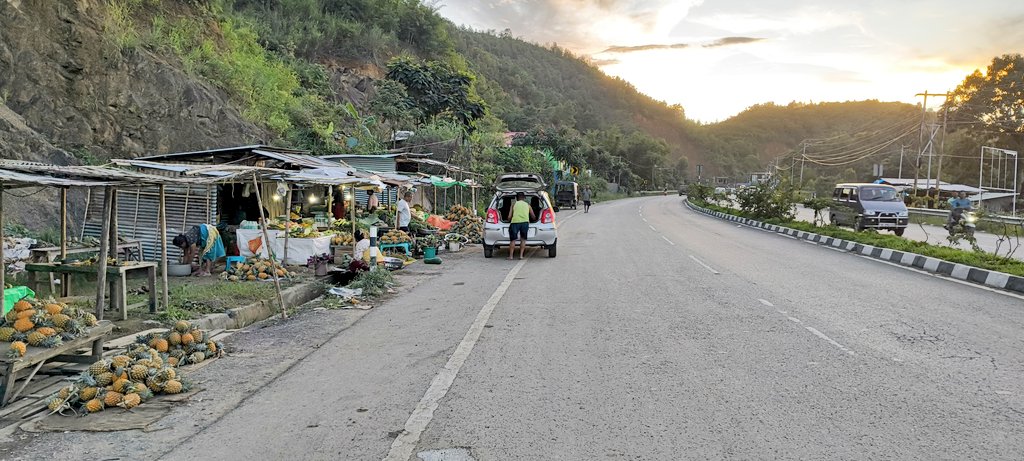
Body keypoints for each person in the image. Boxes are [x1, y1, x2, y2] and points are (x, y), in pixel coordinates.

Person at [506, 191, 535, 260]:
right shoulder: (528, 205)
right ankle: (521, 256)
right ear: (524, 198)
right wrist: (533, 219)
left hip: (515, 222)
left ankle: (511, 256)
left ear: (516, 198)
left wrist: (508, 220)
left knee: (513, 240)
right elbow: (533, 216)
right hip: (525, 223)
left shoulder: (513, 205)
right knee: (523, 239)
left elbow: (509, 217)